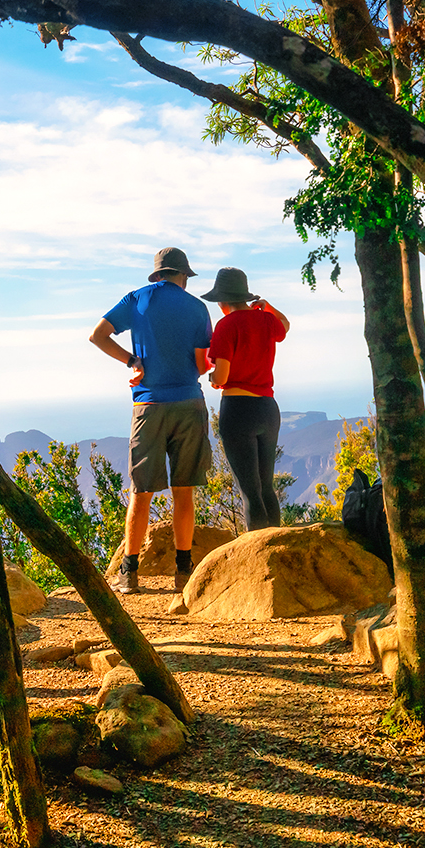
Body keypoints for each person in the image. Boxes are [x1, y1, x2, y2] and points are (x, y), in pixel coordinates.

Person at [88, 247, 214, 594]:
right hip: (189, 402)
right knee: (183, 490)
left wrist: (133, 360)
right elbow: (202, 364)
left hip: (149, 405)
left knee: (141, 491)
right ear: (184, 276)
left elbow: (97, 335)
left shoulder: (136, 300)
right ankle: (183, 573)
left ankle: (129, 574)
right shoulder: (198, 308)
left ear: (157, 274)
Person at [202, 267, 290, 532]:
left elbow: (222, 374)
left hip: (238, 410)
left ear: (223, 301)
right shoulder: (265, 320)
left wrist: (213, 380)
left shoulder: (226, 325)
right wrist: (268, 306)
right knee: (266, 486)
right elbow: (285, 325)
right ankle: (276, 544)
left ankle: (258, 553)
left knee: (249, 490)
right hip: (268, 408)